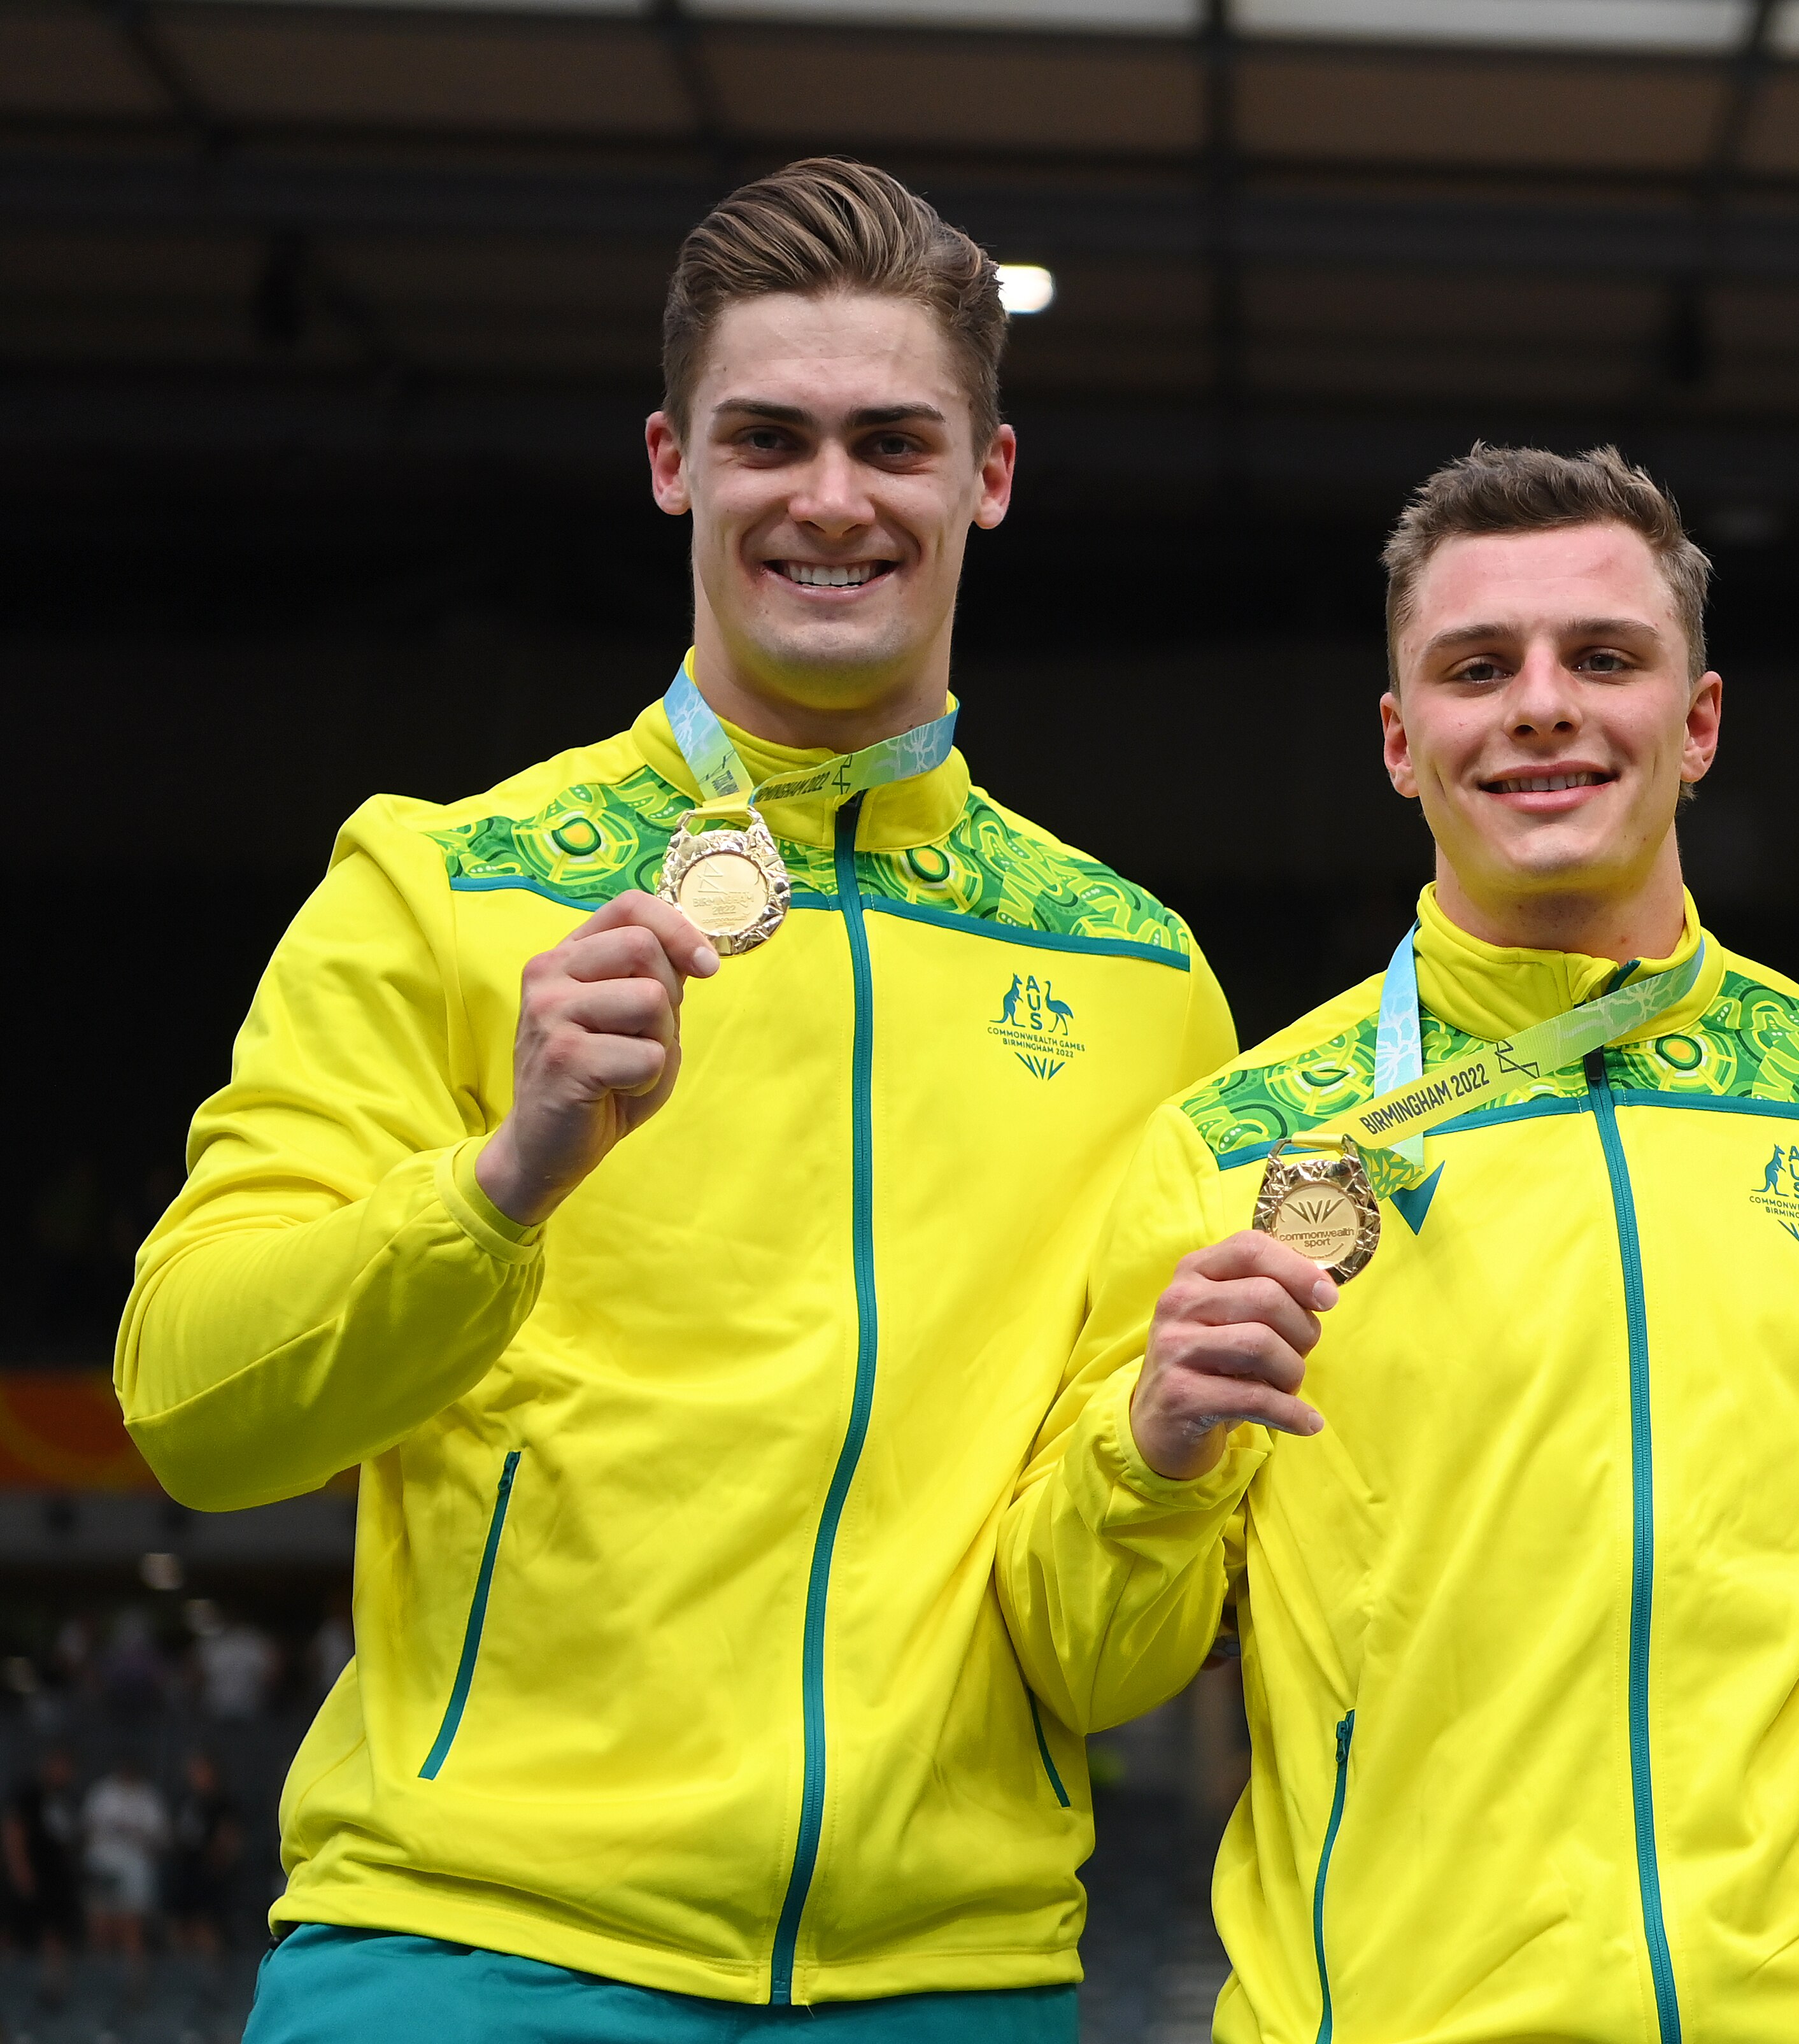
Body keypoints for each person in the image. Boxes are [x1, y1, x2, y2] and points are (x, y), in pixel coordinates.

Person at [116, 157, 1233, 2038]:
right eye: (767, 437)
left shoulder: (1146, 985)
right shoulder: (438, 883)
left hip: (954, 1981)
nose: (828, 496)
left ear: (990, 477)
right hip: (471, 1956)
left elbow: (1108, 1644)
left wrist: (1166, 1463)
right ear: (671, 462)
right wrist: (499, 1182)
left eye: (893, 440)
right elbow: (192, 1408)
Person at [1006, 445, 1799, 2042]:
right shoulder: (1236, 1147)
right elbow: (1084, 1661)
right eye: (1479, 668)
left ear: (1695, 720)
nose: (1539, 704)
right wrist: (1150, 1448)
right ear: (1403, 742)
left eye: (1600, 658)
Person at [4, 1748, 83, 2000]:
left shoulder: (64, 1798)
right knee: (14, 1930)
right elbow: (14, 1830)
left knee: (56, 1932)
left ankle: (52, 1988)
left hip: (57, 1879)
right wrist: (20, 1868)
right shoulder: (29, 1793)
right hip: (31, 1875)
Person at [81, 1755, 167, 1968]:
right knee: (100, 1928)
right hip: (103, 1868)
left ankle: (133, 1988)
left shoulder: (149, 1798)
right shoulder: (102, 1793)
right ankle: (99, 1986)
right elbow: (86, 1831)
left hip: (135, 1872)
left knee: (132, 1927)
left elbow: (162, 1841)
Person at [168, 1750, 243, 1955]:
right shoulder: (186, 1803)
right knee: (179, 1930)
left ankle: (212, 1981)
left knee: (206, 1931)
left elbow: (230, 1842)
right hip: (184, 1878)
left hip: (210, 1882)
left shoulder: (223, 1805)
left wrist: (217, 1863)